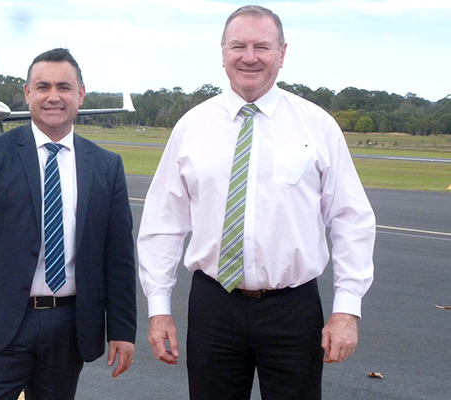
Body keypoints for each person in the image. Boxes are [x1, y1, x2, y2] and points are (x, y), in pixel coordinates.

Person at [137, 5, 375, 400]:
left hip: (292, 310)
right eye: (238, 46)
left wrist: (346, 310)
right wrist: (159, 308)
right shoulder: (192, 127)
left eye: (262, 46)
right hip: (214, 308)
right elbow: (163, 223)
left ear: (282, 54)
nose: (249, 56)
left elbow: (352, 219)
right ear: (223, 52)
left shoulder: (316, 125)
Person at [0, 48, 136, 400]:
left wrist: (122, 330)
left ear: (80, 94)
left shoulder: (107, 166)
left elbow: (119, 255)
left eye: (64, 87)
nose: (53, 96)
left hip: (69, 328)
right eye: (42, 86)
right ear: (28, 93)